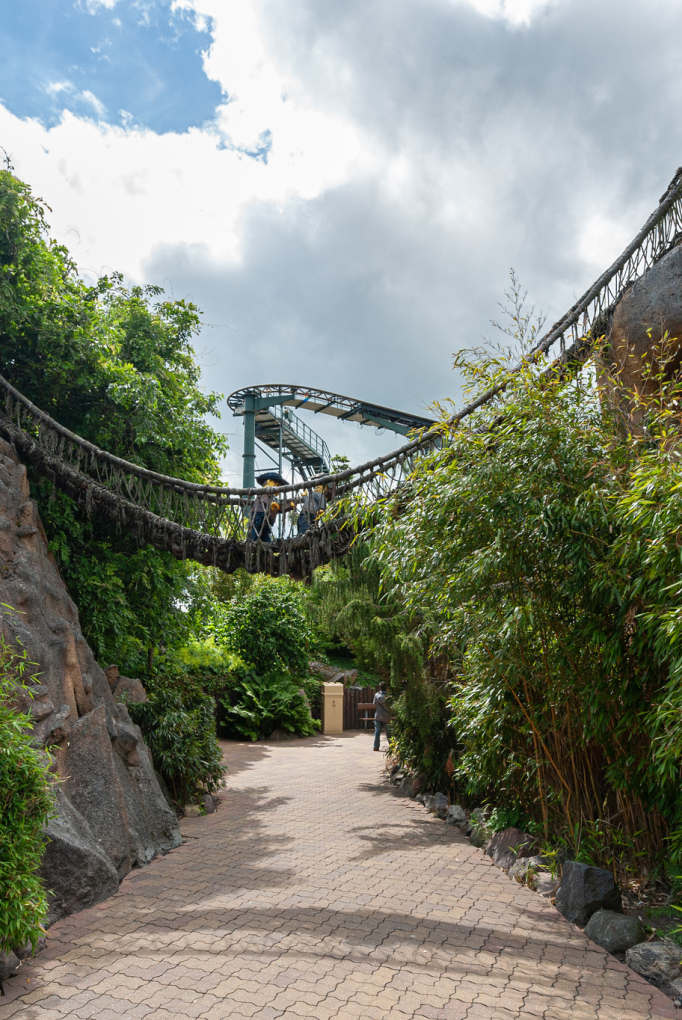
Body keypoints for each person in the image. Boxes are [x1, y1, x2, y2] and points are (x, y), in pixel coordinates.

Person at [373, 682, 392, 752]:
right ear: (387, 689)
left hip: (378, 715)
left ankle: (375, 747)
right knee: (388, 732)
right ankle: (392, 746)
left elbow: (374, 704)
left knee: (377, 732)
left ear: (380, 688)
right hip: (386, 716)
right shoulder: (389, 697)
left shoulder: (376, 695)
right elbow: (391, 707)